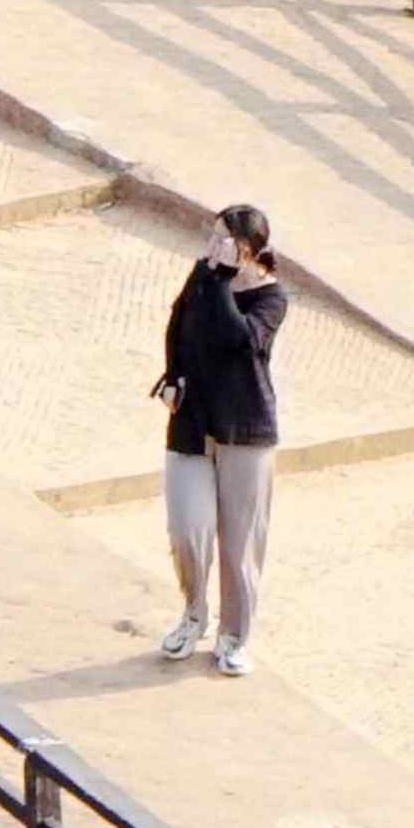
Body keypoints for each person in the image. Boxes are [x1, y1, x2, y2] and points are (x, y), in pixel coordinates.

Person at [153, 202, 285, 675]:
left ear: (247, 250)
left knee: (240, 543)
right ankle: (193, 614)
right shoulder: (203, 275)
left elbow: (237, 339)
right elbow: (178, 323)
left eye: (223, 240)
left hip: (245, 428)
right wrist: (172, 375)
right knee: (188, 528)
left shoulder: (272, 299)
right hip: (192, 420)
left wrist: (221, 281)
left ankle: (234, 636)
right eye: (211, 237)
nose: (211, 248)